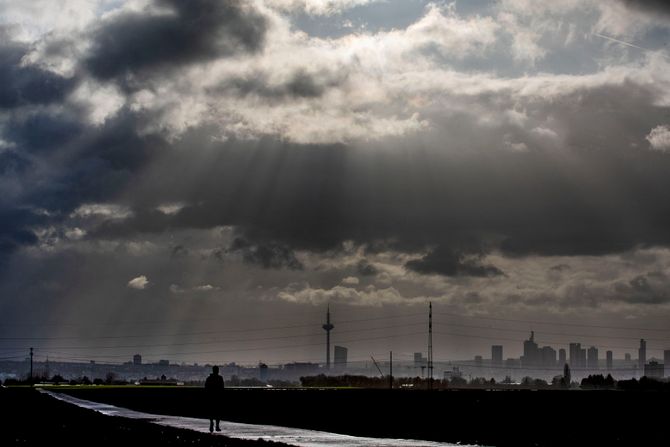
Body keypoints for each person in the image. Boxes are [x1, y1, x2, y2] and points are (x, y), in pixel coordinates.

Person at [204, 365, 224, 432]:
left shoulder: (209, 378)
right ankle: (217, 426)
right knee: (218, 412)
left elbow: (206, 388)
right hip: (218, 398)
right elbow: (222, 388)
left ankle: (211, 423)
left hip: (211, 397)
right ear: (218, 371)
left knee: (211, 412)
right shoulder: (220, 378)